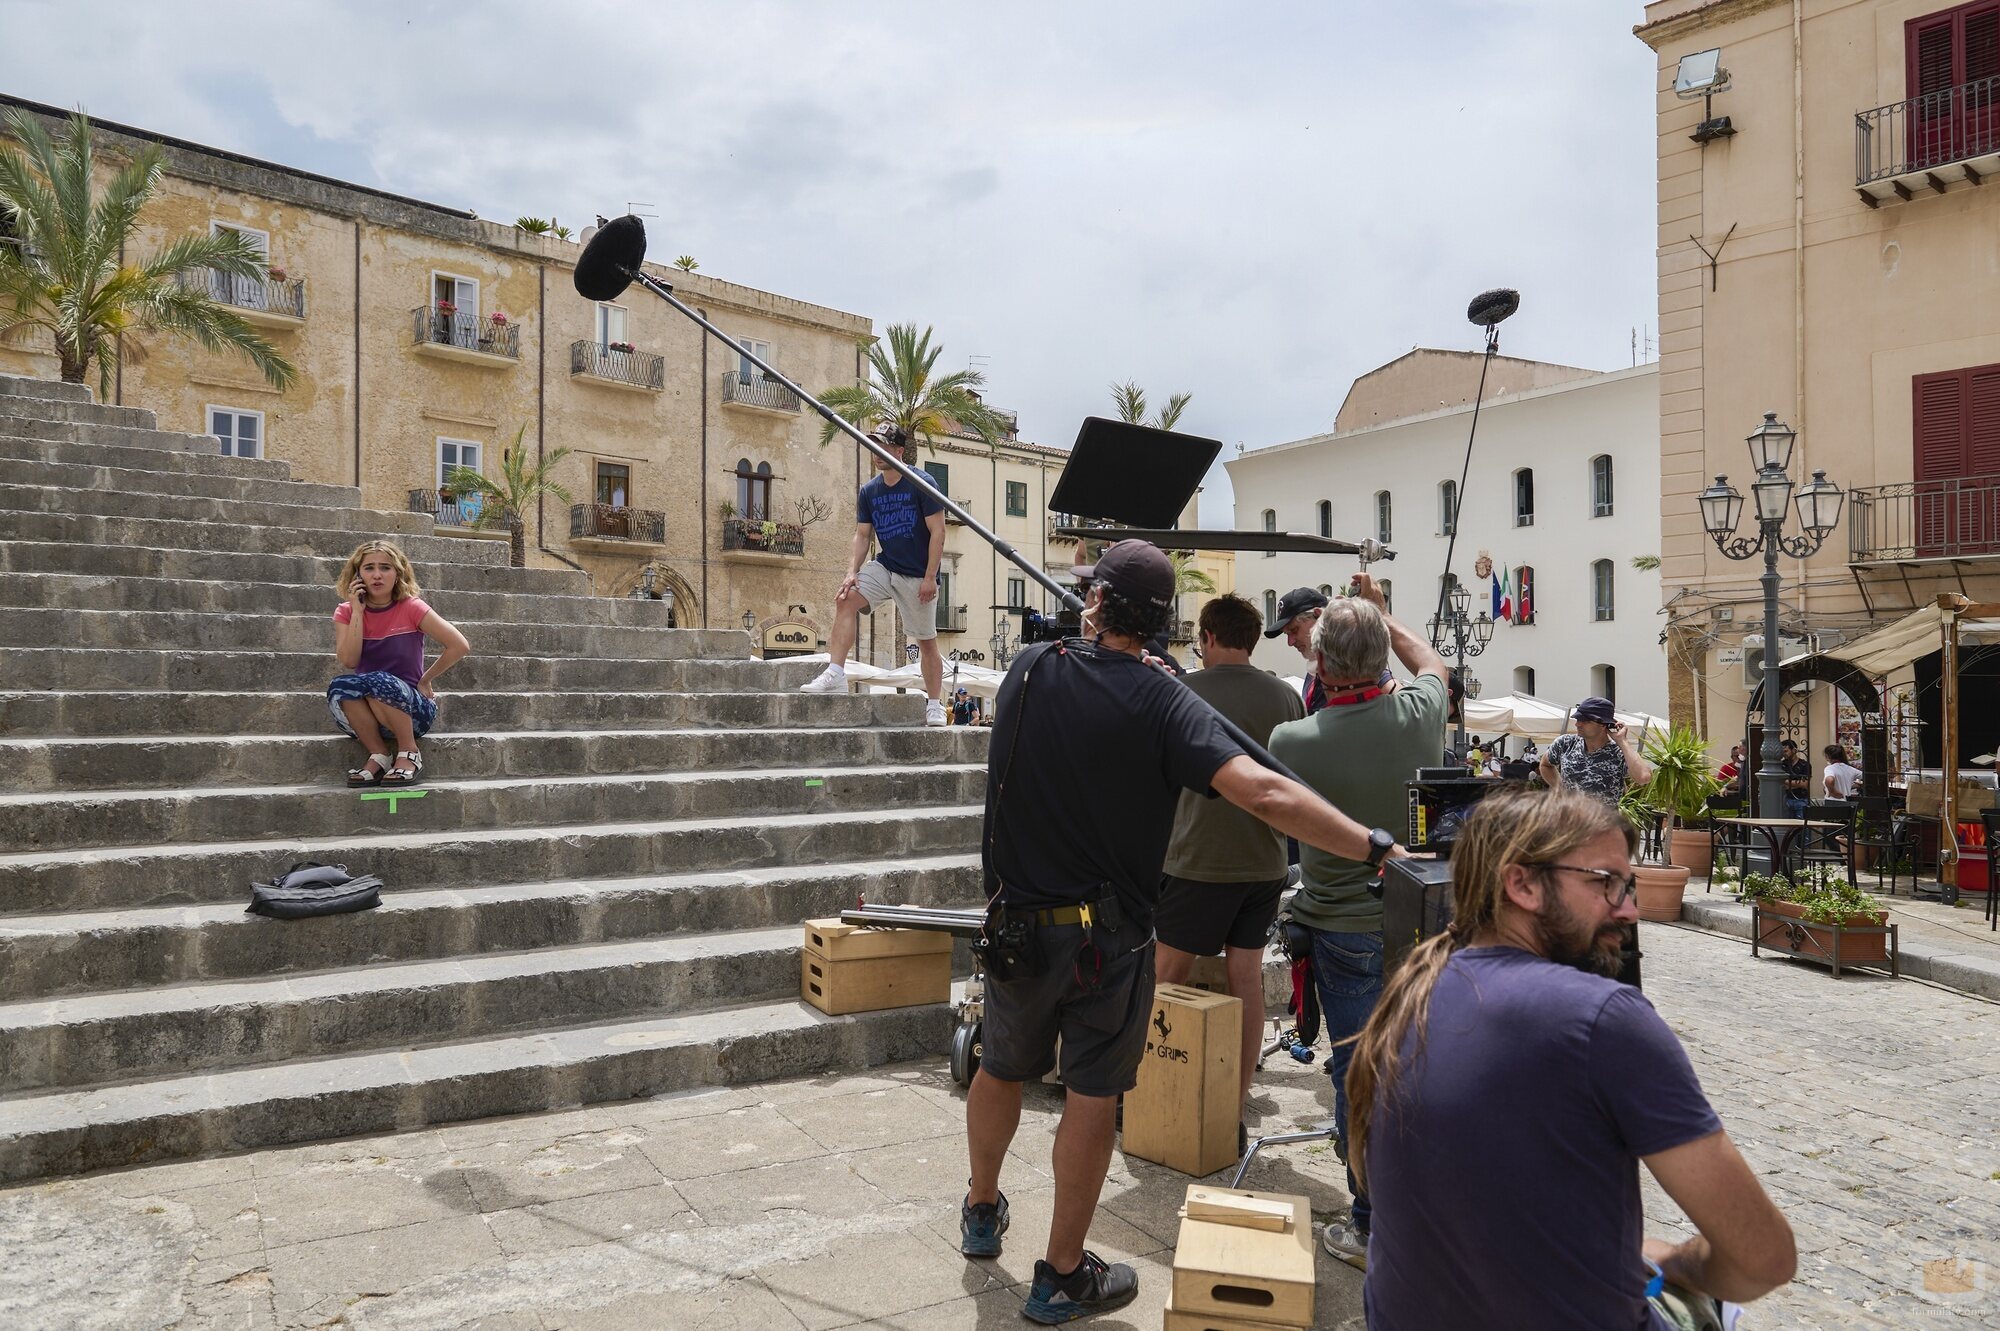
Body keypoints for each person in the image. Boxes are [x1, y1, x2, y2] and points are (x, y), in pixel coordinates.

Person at [959, 540, 1401, 1324]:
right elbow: (1263, 791)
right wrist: (1369, 842)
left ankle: (981, 1207)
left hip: (1018, 925)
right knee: (1092, 1093)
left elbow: (1072, 681)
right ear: (1166, 625)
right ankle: (1061, 1273)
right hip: (1106, 938)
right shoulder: (1164, 703)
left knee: (1002, 1063)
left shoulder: (1030, 668)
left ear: (1095, 603)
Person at [1347, 786, 1797, 1330]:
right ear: (1522, 883)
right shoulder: (1601, 1017)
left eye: (1627, 885)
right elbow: (1764, 1257)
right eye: (1604, 882)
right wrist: (1678, 1261)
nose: (1629, 909)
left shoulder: (1409, 996)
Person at [1266, 572, 1447, 1270]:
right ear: (1380, 659)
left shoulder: (1292, 738)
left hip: (1338, 929)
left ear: (1318, 660)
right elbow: (1431, 661)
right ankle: (1420, 1204)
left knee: (1357, 1074)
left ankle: (1371, 1221)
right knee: (1419, 1068)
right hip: (1418, 925)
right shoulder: (1421, 714)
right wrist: (1383, 609)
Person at [1155, 593, 1306, 1112]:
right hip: (1265, 861)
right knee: (1246, 977)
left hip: (1200, 856)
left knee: (1163, 974)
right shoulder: (1286, 697)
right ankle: (1235, 1098)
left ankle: (1141, 1090)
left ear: (1209, 638)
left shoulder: (1183, 692)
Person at [798, 424, 948, 727]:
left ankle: (934, 704)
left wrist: (930, 576)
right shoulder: (869, 491)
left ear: (899, 450)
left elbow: (938, 531)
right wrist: (851, 572)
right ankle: (836, 674)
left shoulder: (922, 482)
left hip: (917, 573)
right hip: (886, 566)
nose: (877, 451)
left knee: (926, 641)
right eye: (873, 445)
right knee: (846, 599)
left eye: (883, 445)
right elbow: (863, 535)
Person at [328, 540, 470, 787]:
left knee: (378, 680)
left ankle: (409, 751)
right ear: (358, 575)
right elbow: (350, 660)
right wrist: (358, 612)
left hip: (415, 711)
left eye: (385, 567)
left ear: (398, 573)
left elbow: (459, 645)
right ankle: (379, 755)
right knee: (341, 685)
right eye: (369, 568)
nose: (377, 575)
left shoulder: (411, 607)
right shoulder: (346, 611)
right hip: (369, 715)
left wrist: (425, 679)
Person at [1540, 697, 1654, 806]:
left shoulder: (1618, 753)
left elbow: (1644, 777)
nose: (1578, 724)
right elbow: (1545, 764)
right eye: (1578, 719)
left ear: (1603, 724)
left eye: (1585, 721)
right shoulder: (1565, 743)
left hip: (1604, 824)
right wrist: (1560, 788)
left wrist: (1622, 741)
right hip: (1571, 822)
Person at [1264, 585, 1331, 713]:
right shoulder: (1312, 674)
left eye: (1294, 630)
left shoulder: (1356, 672)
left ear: (1319, 617)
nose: (1290, 642)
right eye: (1287, 634)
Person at [1781, 739, 1812, 817]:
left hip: (1801, 799)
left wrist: (1785, 781)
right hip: (1785, 800)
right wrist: (1796, 783)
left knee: (1802, 826)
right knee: (1787, 827)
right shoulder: (1781, 765)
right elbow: (1779, 784)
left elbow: (1805, 784)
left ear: (1794, 750)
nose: (1784, 754)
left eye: (1786, 751)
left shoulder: (1804, 765)